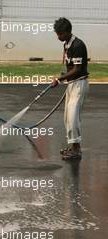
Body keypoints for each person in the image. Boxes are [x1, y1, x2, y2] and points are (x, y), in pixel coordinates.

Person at [52, 17, 89, 160]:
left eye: (60, 34)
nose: (58, 37)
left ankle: (77, 150)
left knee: (73, 117)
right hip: (71, 84)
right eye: (57, 33)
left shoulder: (78, 45)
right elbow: (70, 66)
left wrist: (60, 79)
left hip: (79, 84)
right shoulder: (67, 43)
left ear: (68, 31)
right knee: (67, 117)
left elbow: (78, 69)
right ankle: (73, 146)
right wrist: (64, 76)